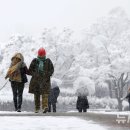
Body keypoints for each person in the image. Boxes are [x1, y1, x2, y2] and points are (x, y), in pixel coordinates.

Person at [28, 47, 54, 113]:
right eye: (40, 54)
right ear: (38, 54)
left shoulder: (48, 61)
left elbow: (52, 70)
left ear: (44, 54)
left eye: (42, 54)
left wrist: (47, 74)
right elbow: (30, 70)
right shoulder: (35, 61)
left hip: (45, 81)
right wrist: (35, 74)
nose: (41, 56)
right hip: (36, 81)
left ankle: (45, 107)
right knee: (37, 95)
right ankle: (37, 108)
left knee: (45, 94)